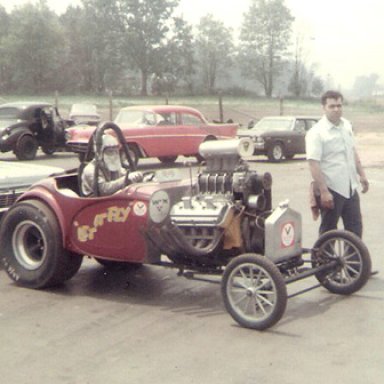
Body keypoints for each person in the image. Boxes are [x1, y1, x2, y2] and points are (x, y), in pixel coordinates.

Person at [305, 90, 369, 238]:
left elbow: (352, 151)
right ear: (324, 108)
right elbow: (313, 164)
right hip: (332, 190)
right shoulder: (316, 132)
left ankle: (353, 261)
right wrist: (324, 191)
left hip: (350, 188)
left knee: (355, 232)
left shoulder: (346, 125)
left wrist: (362, 175)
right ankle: (323, 261)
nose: (336, 109)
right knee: (329, 233)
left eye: (339, 106)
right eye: (332, 106)